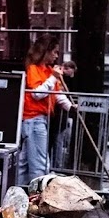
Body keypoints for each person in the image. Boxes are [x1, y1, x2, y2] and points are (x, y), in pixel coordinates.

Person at [19, 34, 73, 184]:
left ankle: (18, 191)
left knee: (24, 163)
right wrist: (53, 78)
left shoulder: (49, 71)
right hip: (34, 119)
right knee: (40, 164)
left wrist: (70, 106)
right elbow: (37, 93)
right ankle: (36, 197)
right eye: (55, 52)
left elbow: (57, 94)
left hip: (37, 120)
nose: (56, 56)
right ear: (46, 51)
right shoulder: (34, 69)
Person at [49, 60, 77, 168]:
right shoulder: (58, 77)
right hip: (57, 116)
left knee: (59, 141)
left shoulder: (63, 79)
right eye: (72, 72)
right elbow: (59, 94)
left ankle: (56, 164)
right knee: (57, 141)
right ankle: (56, 165)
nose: (72, 75)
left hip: (61, 116)